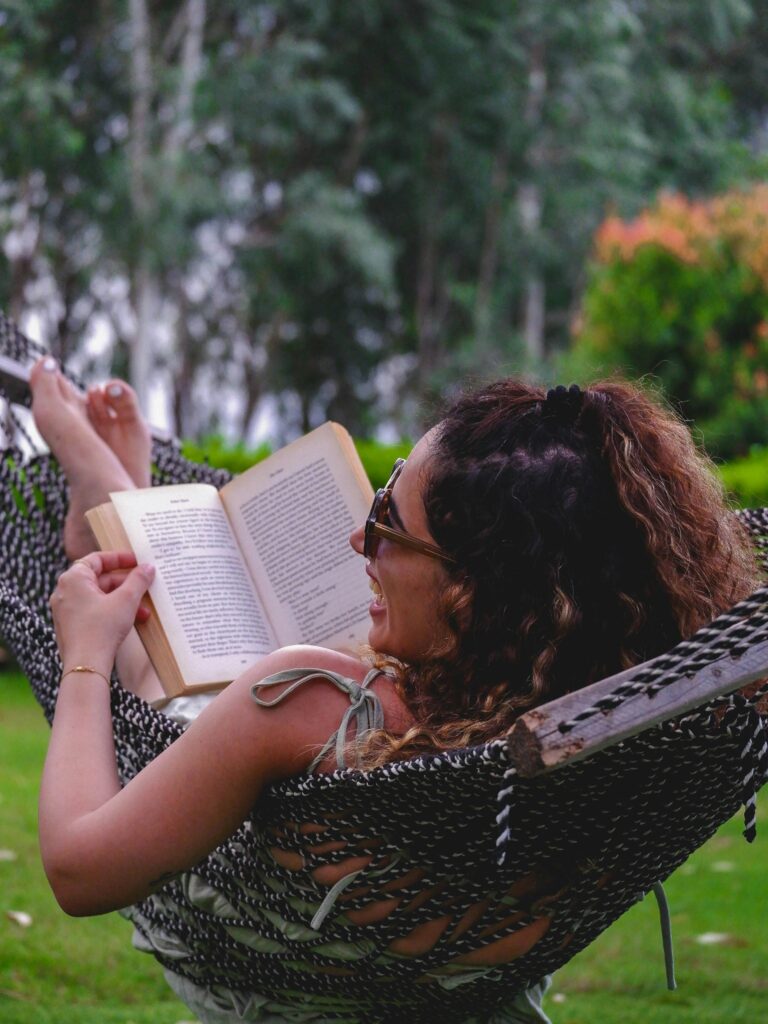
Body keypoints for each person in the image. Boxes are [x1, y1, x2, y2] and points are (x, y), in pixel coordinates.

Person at [28, 358, 759, 1023]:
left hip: (267, 933)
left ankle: (118, 528)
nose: (358, 539)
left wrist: (84, 656)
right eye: (379, 496)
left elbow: (78, 868)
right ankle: (125, 515)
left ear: (473, 595)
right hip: (459, 987)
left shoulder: (307, 702)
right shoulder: (634, 718)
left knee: (167, 682)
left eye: (388, 525)